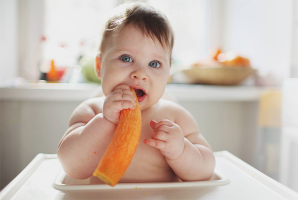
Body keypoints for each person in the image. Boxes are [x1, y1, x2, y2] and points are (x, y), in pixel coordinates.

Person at [57, 2, 215, 183]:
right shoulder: (90, 112)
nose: (140, 74)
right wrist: (105, 121)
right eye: (126, 58)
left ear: (168, 73)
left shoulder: (176, 117)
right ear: (100, 67)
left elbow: (206, 170)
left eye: (154, 64)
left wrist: (181, 150)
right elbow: (71, 167)